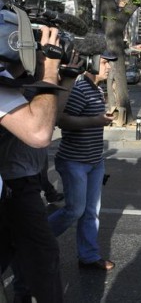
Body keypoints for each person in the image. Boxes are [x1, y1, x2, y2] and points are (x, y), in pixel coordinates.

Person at [0, 25, 64, 302]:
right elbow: (39, 133)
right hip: (15, 186)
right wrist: (48, 69)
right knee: (41, 257)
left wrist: (61, 75)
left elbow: (50, 119)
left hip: (17, 188)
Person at [48, 48, 118, 271]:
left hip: (94, 162)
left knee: (91, 212)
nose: (109, 67)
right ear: (94, 62)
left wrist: (100, 119)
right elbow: (62, 121)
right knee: (74, 210)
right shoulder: (79, 88)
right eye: (106, 63)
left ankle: (88, 256)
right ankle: (36, 241)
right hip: (74, 162)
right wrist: (96, 121)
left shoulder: (96, 90)